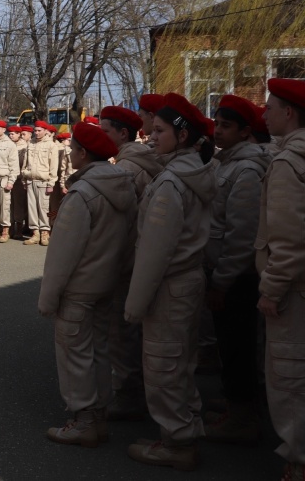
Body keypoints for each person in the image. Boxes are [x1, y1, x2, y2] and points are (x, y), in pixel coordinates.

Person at [125, 93, 216, 471]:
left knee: (163, 365)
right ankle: (185, 428)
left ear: (182, 136)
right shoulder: (194, 170)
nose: (151, 135)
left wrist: (134, 304)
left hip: (170, 284)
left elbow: (154, 252)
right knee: (181, 362)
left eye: (160, 130)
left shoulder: (171, 183)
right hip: (187, 280)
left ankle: (177, 442)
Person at [40, 122, 137, 448]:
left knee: (75, 355)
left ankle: (83, 421)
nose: (69, 154)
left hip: (79, 288)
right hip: (106, 284)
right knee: (99, 351)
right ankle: (98, 417)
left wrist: (48, 297)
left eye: (72, 149)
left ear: (83, 153)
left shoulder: (82, 194)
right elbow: (130, 240)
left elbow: (63, 254)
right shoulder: (122, 185)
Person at [199, 95, 271, 445]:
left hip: (237, 279)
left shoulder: (247, 170)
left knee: (238, 346)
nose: (217, 131)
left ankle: (242, 417)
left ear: (245, 131)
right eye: (216, 124)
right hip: (223, 272)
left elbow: (241, 235)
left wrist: (222, 281)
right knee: (229, 345)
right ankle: (235, 403)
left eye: (226, 126)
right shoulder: (225, 162)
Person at [98, 105, 162, 422]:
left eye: (105, 131)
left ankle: (128, 393)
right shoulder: (139, 160)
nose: (100, 137)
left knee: (121, 330)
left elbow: (121, 223)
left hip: (127, 260)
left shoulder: (127, 168)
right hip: (139, 257)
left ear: (123, 134)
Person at [257, 78, 305, 481]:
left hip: (293, 291)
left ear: (289, 113)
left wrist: (271, 289)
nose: (264, 115)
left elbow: (288, 240)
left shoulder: (289, 162)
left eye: (270, 108)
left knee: (290, 379)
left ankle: (298, 461)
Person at [22, 120, 59, 246]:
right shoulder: (31, 143)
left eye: (39, 131)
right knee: (32, 208)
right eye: (35, 131)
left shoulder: (51, 145)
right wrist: (24, 178)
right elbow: (25, 162)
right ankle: (35, 233)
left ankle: (45, 232)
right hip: (30, 180)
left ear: (45, 131)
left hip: (43, 181)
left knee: (44, 208)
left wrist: (51, 183)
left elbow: (53, 166)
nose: (36, 133)